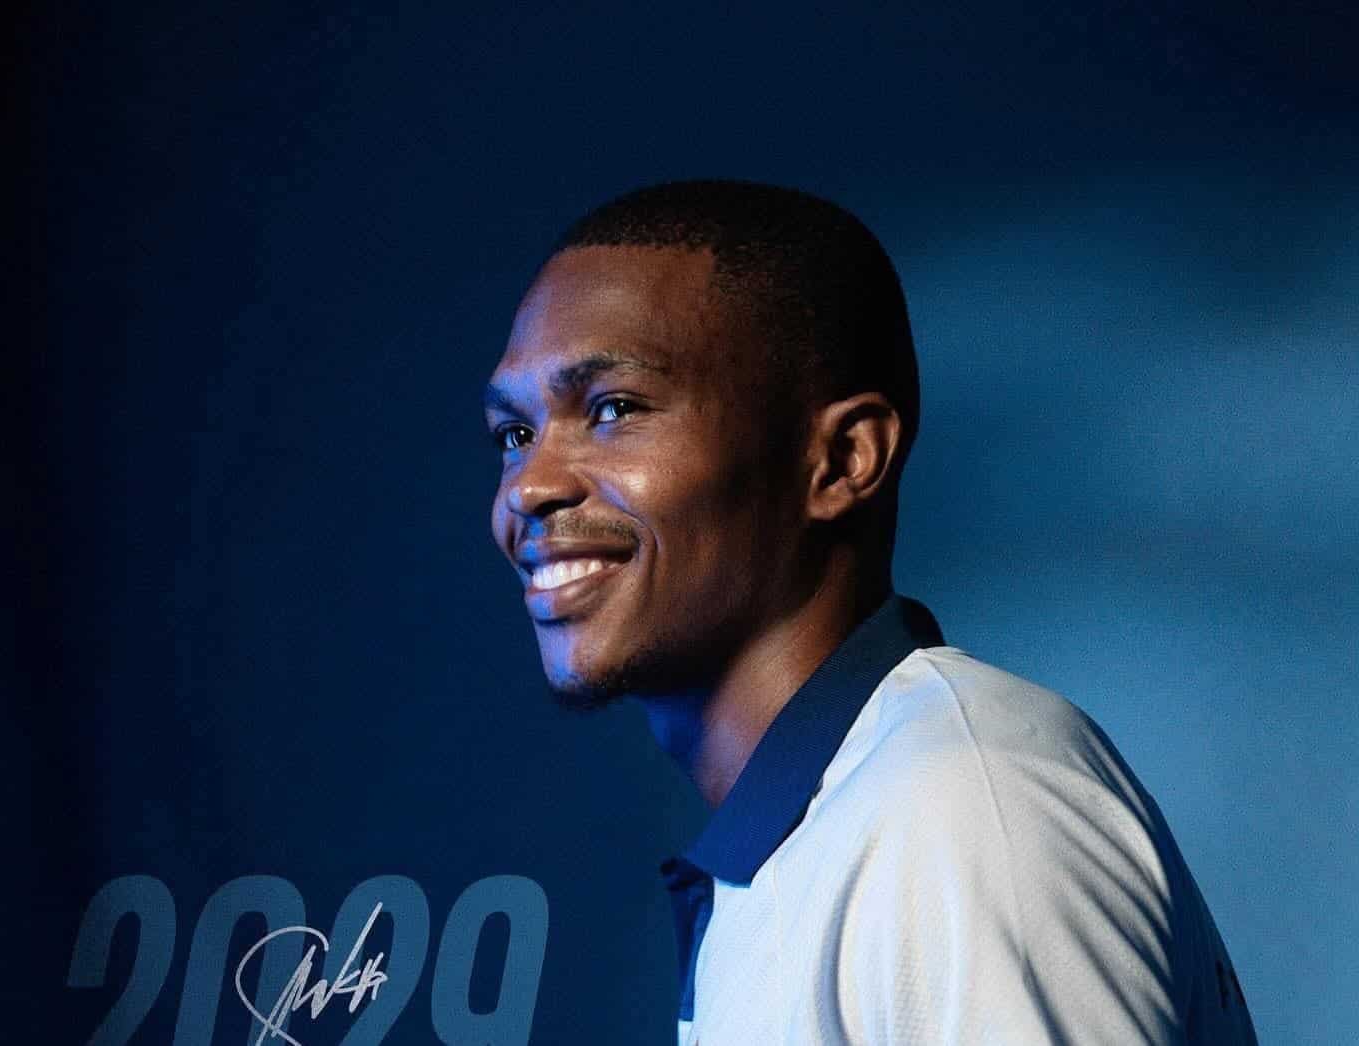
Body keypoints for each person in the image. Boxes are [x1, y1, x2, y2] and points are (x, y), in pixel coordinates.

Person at [482, 179, 1258, 1045]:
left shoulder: (954, 804)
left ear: (844, 459)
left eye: (615, 409)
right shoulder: (844, 828)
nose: (530, 487)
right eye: (514, 434)